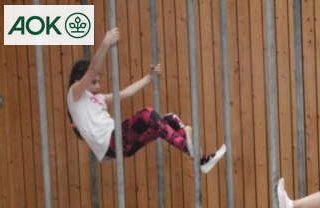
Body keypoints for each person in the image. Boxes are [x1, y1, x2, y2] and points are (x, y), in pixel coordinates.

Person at [67, 28, 226, 173]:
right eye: (94, 82)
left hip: (123, 146)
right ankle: (190, 150)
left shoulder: (98, 98)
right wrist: (105, 43)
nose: (98, 86)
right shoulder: (75, 94)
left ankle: (202, 160)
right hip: (110, 142)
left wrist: (149, 77)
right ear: (78, 80)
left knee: (170, 119)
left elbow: (125, 93)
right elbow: (93, 68)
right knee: (147, 114)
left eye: (98, 82)